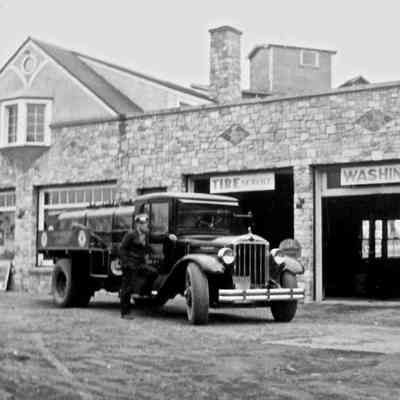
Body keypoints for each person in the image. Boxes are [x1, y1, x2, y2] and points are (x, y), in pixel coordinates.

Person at [119, 213, 158, 318]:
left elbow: (157, 238)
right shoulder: (130, 235)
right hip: (130, 264)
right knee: (127, 288)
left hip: (140, 264)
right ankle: (125, 312)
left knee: (153, 273)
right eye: (145, 224)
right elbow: (122, 249)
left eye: (146, 224)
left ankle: (143, 293)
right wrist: (126, 263)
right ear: (139, 225)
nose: (147, 226)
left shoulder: (145, 235)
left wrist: (168, 236)